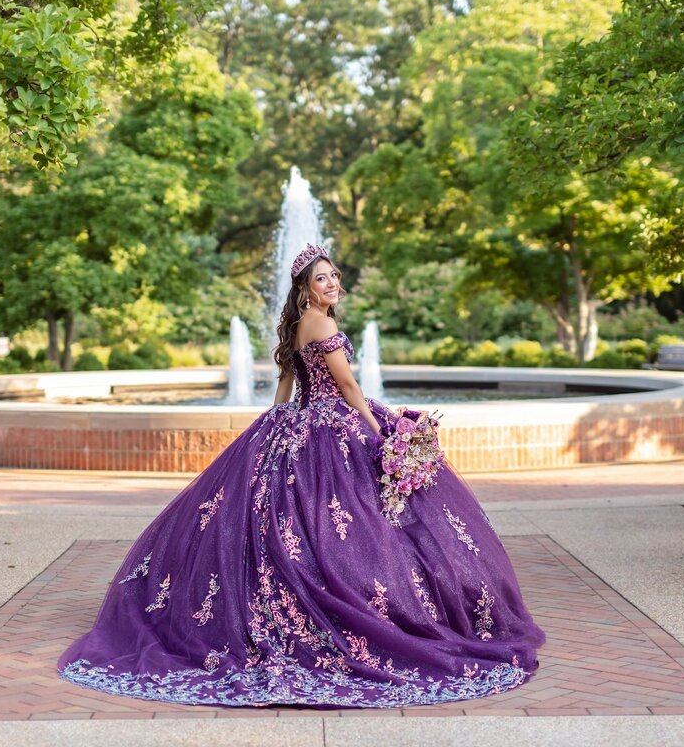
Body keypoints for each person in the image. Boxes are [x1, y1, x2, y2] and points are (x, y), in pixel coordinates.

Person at [58, 244, 545, 708]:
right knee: (354, 526)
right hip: (333, 426)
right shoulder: (318, 321)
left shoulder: (298, 323)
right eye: (321, 278)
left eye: (334, 275)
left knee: (305, 523)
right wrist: (383, 432)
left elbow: (287, 383)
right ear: (305, 288)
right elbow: (350, 385)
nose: (332, 283)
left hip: (301, 423)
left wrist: (272, 430)